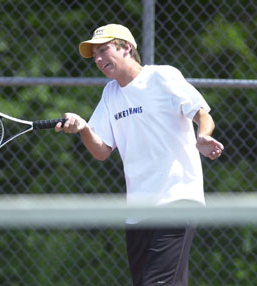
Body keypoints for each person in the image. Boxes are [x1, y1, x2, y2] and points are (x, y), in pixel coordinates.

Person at [55, 24, 224, 286]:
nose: (98, 59)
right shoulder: (110, 94)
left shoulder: (162, 77)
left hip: (177, 200)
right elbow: (101, 151)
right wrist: (84, 128)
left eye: (104, 50)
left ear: (126, 48)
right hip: (138, 212)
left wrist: (202, 136)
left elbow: (202, 113)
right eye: (94, 55)